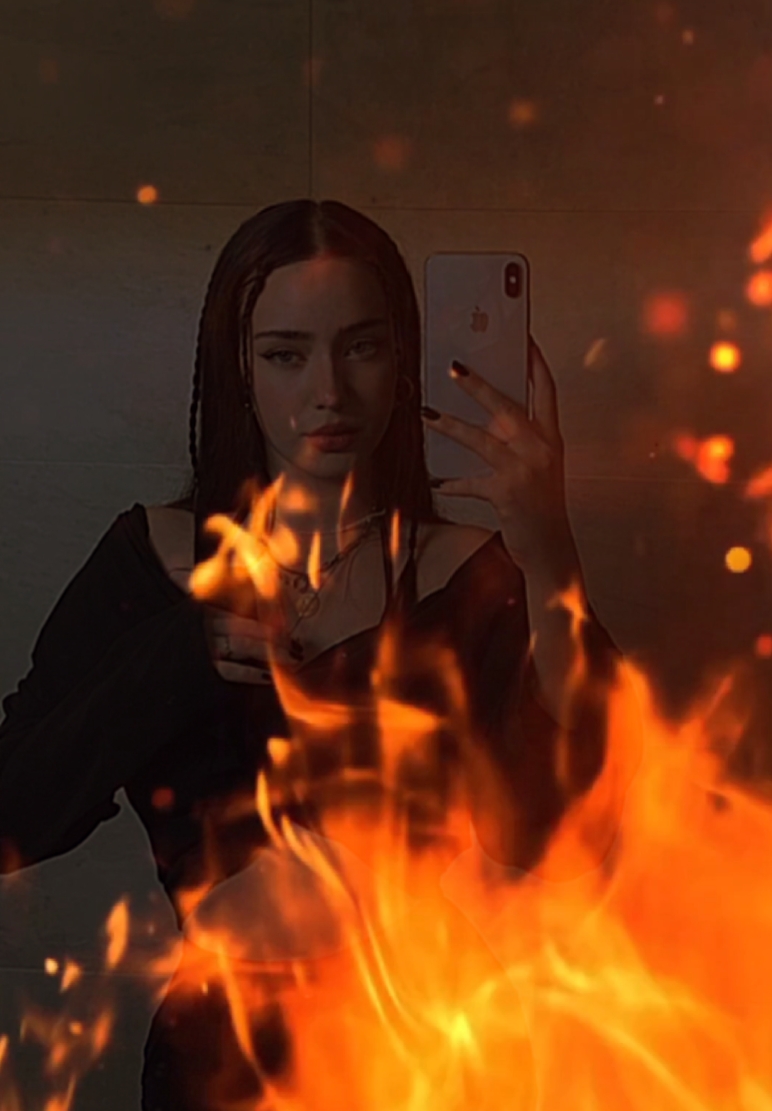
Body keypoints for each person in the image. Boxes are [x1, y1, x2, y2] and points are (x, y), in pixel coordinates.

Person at [0, 200, 633, 1110]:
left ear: (403, 358)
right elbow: (16, 808)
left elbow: (580, 827)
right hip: (219, 1060)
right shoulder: (153, 563)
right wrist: (176, 658)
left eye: (361, 346)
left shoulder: (468, 572)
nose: (329, 390)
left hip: (426, 1051)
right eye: (286, 354)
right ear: (238, 368)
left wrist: (551, 560)